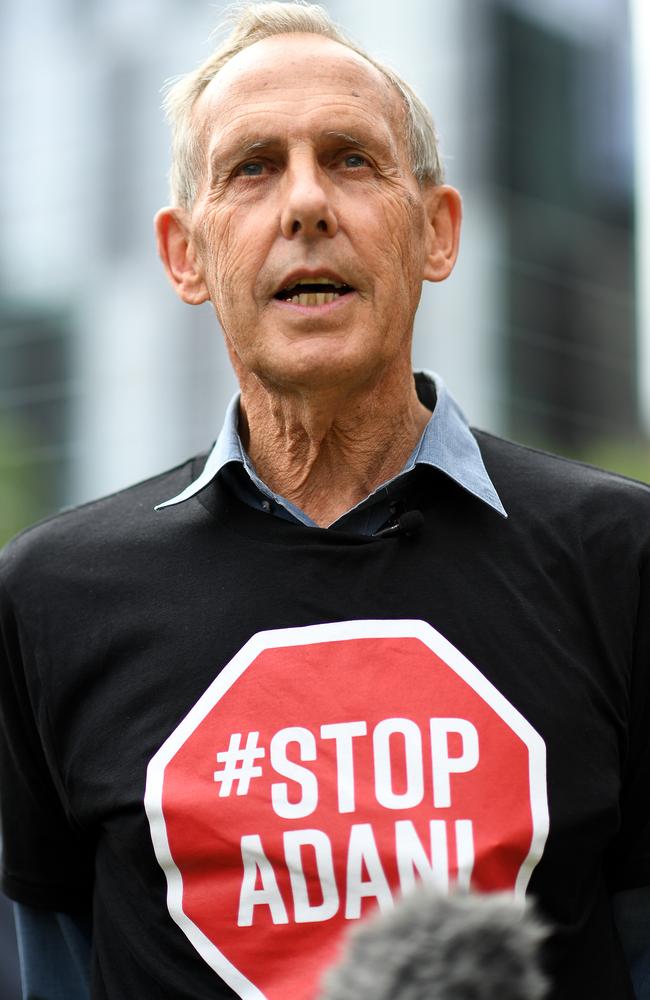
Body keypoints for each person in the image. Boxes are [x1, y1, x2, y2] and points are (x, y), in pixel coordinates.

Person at [1, 3, 649, 998]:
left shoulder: (618, 558)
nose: (304, 204)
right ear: (186, 255)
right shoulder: (46, 599)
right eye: (252, 167)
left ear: (434, 232)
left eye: (351, 160)